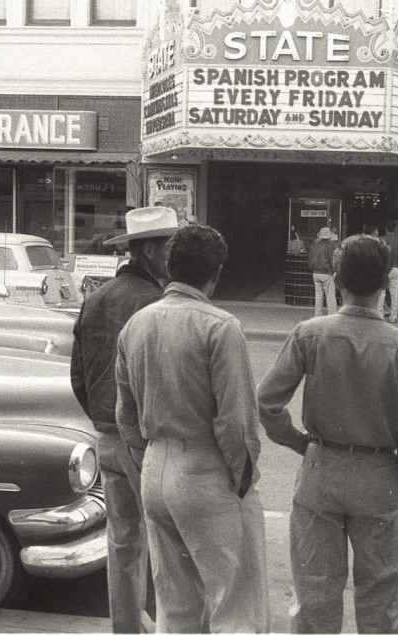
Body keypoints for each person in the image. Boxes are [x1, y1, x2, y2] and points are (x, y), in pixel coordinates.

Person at [257, 234, 398, 633]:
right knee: (384, 594)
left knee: (315, 590)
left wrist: (301, 443)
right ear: (384, 283)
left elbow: (266, 403)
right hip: (380, 476)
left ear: (337, 279)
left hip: (321, 469)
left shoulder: (309, 333)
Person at [115, 225, 269, 633]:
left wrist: (147, 458)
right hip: (206, 471)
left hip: (156, 468)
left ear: (170, 266)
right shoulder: (220, 326)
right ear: (215, 273)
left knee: (177, 606)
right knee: (236, 607)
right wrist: (242, 479)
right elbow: (236, 422)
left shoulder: (136, 325)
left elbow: (125, 415)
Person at [70, 205, 179, 633]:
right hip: (143, 440)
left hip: (106, 438)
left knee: (122, 542)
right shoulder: (154, 304)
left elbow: (78, 374)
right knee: (165, 542)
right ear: (150, 252)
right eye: (169, 247)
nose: (174, 256)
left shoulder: (95, 300)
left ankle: (126, 627)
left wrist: (101, 417)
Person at [377, 218, 398, 323]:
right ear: (395, 229)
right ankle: (393, 317)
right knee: (394, 294)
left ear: (385, 229)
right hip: (394, 269)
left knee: (381, 294)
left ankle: (380, 316)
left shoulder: (381, 241)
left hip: (383, 270)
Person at [308, 225, 337, 316]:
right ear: (328, 236)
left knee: (318, 297)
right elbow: (333, 262)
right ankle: (332, 316)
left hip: (316, 273)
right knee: (330, 297)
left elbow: (309, 261)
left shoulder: (314, 246)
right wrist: (335, 272)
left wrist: (313, 270)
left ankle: (317, 316)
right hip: (327, 274)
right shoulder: (330, 247)